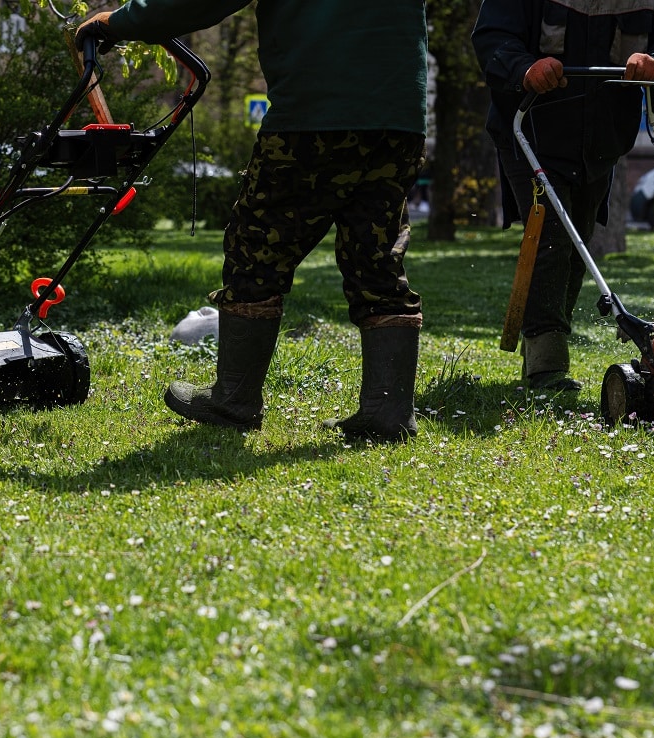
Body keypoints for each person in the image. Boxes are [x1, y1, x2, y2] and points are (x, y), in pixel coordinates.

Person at [77, 1, 429, 441]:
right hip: (399, 119)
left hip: (315, 116)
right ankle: (388, 412)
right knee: (377, 257)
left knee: (256, 249)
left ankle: (234, 400)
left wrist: (116, 22)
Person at [472, 0, 654, 392]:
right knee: (552, 236)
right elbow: (493, 38)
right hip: (532, 129)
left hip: (602, 140)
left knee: (577, 243)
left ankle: (542, 347)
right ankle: (546, 363)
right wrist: (525, 68)